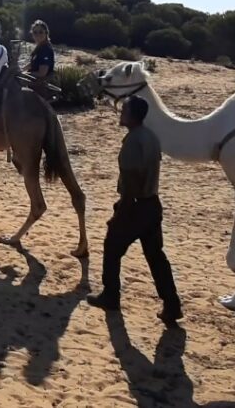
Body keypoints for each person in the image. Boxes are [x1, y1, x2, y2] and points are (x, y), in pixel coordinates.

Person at [86, 96, 182, 324]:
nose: (121, 113)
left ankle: (111, 296)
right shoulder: (151, 137)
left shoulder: (132, 142)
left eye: (125, 110)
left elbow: (131, 183)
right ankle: (172, 304)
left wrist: (119, 216)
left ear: (132, 115)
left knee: (112, 246)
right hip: (152, 205)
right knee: (156, 257)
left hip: (135, 206)